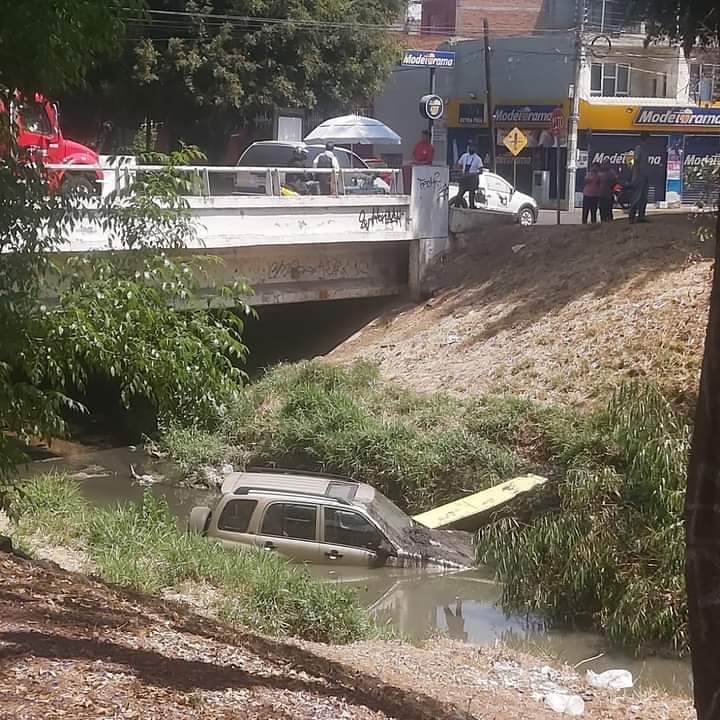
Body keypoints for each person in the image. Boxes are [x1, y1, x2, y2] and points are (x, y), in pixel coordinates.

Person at [453, 143, 483, 209]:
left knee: (471, 193)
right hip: (464, 176)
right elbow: (459, 165)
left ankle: (471, 206)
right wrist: (458, 171)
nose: (471, 148)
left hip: (472, 177)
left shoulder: (478, 158)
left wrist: (474, 173)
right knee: (460, 192)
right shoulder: (464, 156)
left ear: (475, 149)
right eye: (470, 147)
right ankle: (456, 205)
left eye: (472, 147)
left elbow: (481, 170)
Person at [630, 132, 651, 223]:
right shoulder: (639, 148)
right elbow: (637, 162)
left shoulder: (646, 149)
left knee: (644, 197)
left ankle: (641, 217)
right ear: (645, 139)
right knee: (636, 197)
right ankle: (632, 217)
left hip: (645, 176)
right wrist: (636, 176)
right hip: (639, 177)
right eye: (648, 139)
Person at [597, 158, 617, 222]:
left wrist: (614, 192)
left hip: (609, 195)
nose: (604, 165)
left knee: (608, 211)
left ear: (609, 164)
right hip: (601, 195)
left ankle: (610, 224)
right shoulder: (599, 173)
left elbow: (615, 183)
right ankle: (603, 222)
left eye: (606, 163)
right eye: (603, 163)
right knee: (602, 211)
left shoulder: (612, 173)